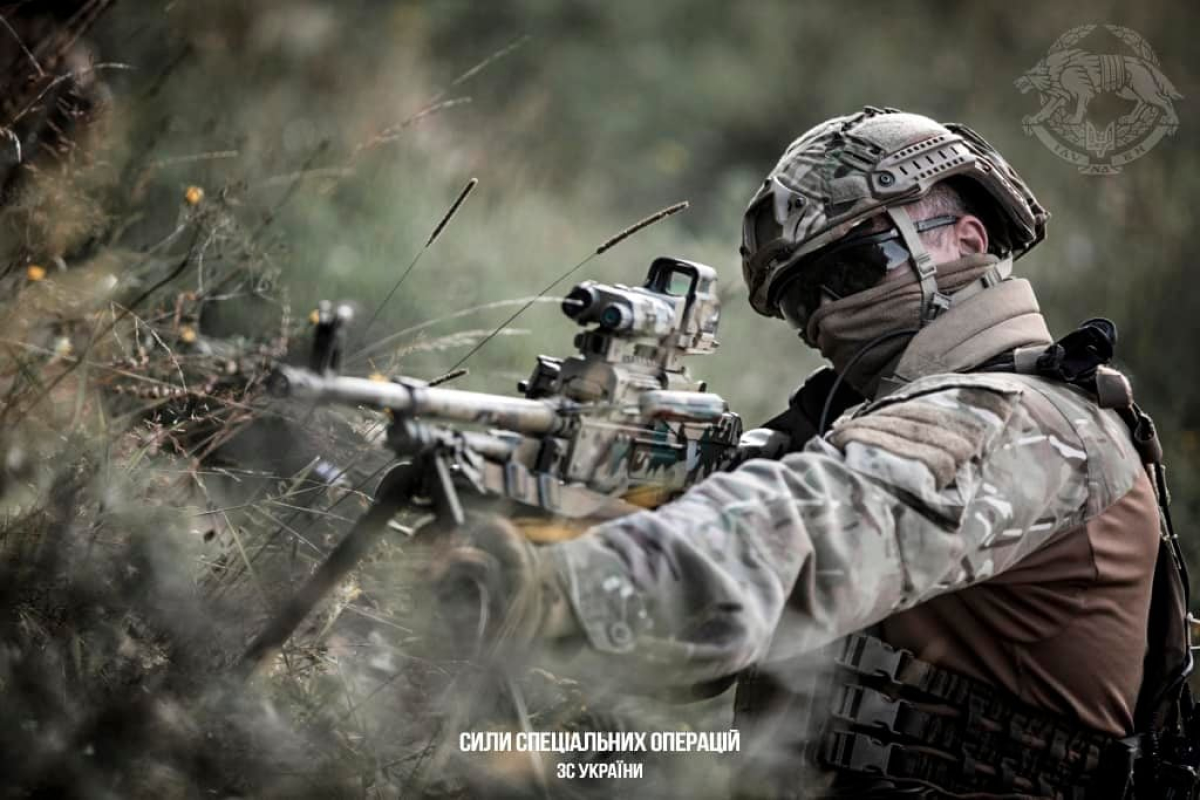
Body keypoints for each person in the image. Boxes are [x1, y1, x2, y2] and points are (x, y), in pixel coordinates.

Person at [433, 107, 1194, 799]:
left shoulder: (1023, 422)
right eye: (804, 298)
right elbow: (703, 659)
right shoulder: (860, 417)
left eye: (851, 270)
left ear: (966, 242)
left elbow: (806, 529)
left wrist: (565, 584)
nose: (826, 315)